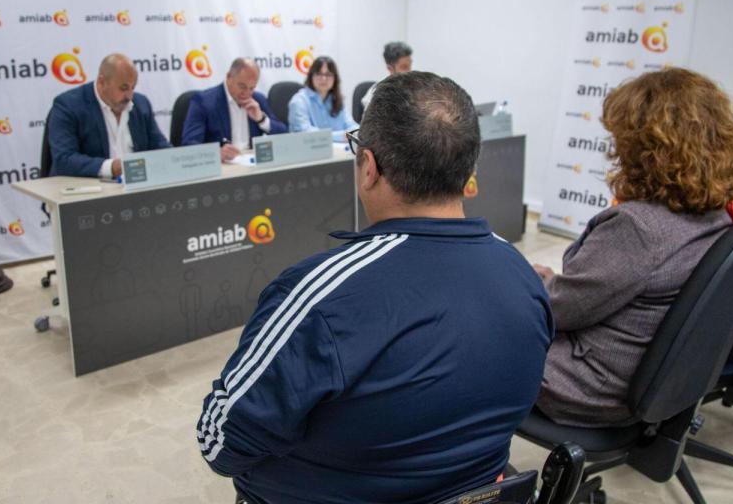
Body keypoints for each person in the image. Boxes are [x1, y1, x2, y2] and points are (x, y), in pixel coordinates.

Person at [197, 72, 554, 503]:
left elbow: (220, 443)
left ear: (369, 167)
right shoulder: (524, 276)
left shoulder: (318, 297)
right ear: (469, 170)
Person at [532, 68, 733, 428]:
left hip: (586, 385)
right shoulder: (718, 213)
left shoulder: (637, 227)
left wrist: (526, 286)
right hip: (650, 380)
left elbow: (558, 311)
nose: (615, 149)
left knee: (470, 333)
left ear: (646, 149)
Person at [46, 53, 170, 178]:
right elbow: (64, 160)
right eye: (123, 88)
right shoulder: (69, 106)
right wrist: (111, 167)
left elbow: (159, 146)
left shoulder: (141, 104)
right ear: (102, 82)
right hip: (89, 189)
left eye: (133, 87)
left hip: (136, 188)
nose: (129, 96)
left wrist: (177, 158)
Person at [180, 58, 287, 163]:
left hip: (252, 166)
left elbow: (285, 135)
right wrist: (216, 154)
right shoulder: (203, 101)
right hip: (222, 169)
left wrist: (262, 120)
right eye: (242, 86)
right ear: (229, 77)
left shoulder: (258, 99)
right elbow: (189, 145)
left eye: (252, 88)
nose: (247, 93)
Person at [287, 56, 356, 142]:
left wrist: (356, 132)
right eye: (319, 74)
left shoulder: (337, 100)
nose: (323, 79)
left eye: (328, 74)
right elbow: (304, 133)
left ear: (335, 78)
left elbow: (351, 125)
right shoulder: (299, 101)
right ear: (311, 76)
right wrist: (341, 136)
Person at [361, 41, 413, 110]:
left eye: (410, 65)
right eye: (404, 67)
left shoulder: (414, 88)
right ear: (390, 68)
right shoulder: (375, 94)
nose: (409, 71)